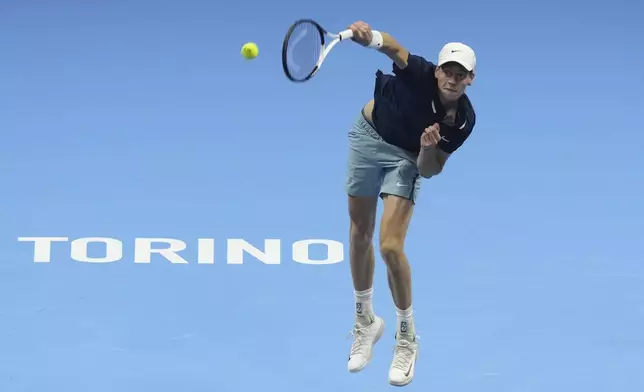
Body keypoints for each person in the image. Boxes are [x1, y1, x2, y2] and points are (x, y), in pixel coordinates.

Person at [344, 20, 477, 386]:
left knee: (389, 245)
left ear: (470, 80)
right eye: (447, 71)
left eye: (460, 74)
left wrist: (428, 148)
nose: (452, 78)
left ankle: (406, 338)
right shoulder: (418, 73)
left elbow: (429, 171)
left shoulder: (462, 121)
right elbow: (394, 48)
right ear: (437, 72)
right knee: (359, 232)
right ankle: (365, 322)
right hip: (368, 136)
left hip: (408, 157)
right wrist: (368, 37)